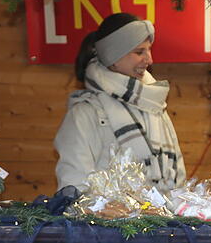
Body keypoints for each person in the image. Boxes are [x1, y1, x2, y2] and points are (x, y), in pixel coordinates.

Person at [54, 12, 186, 196]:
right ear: (113, 57)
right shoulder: (86, 112)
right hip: (106, 224)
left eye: (149, 50)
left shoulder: (154, 104)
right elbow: (74, 185)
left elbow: (177, 177)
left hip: (164, 221)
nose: (149, 60)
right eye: (139, 52)